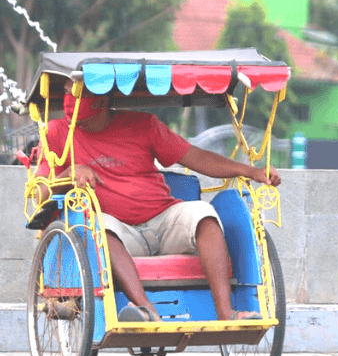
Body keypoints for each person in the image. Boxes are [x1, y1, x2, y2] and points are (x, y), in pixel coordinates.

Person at [35, 80, 281, 323]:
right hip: (117, 234)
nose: (68, 101)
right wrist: (70, 173)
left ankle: (227, 312)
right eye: (66, 92)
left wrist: (251, 171)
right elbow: (40, 193)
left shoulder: (143, 125)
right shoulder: (56, 132)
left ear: (100, 100)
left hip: (163, 219)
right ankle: (146, 310)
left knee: (204, 213)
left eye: (75, 93)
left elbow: (195, 156)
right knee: (100, 226)